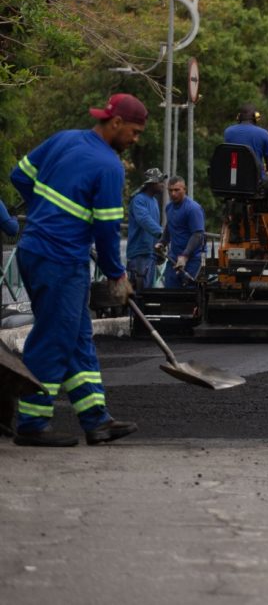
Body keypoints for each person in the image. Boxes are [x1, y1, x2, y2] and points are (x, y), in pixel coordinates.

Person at [8, 93, 146, 446]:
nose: (135, 139)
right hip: (61, 261)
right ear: (115, 123)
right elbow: (105, 230)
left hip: (34, 251)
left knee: (77, 337)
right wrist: (117, 275)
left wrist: (47, 212)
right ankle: (31, 423)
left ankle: (96, 419)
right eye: (134, 131)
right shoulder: (109, 166)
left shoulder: (64, 139)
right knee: (55, 337)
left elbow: (18, 175)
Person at [224, 104, 268, 243]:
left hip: (234, 182)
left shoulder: (228, 132)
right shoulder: (263, 134)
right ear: (256, 118)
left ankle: (234, 231)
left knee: (239, 195)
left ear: (238, 118)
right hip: (257, 182)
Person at [157, 176, 205, 289]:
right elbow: (170, 227)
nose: (173, 194)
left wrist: (185, 255)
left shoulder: (193, 209)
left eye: (177, 190)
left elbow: (198, 235)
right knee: (170, 293)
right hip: (174, 258)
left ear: (185, 189)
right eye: (170, 190)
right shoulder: (169, 208)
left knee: (189, 296)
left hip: (193, 260)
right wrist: (162, 242)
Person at [126, 167, 165, 291]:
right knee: (138, 294)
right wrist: (162, 234)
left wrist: (159, 247)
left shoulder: (153, 201)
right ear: (152, 183)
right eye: (160, 181)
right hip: (139, 254)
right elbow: (144, 220)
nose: (163, 185)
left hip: (150, 254)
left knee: (146, 295)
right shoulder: (138, 200)